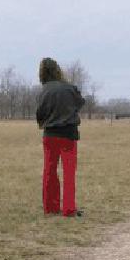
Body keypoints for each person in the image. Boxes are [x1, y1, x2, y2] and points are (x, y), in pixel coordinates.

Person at [35, 57, 85, 217]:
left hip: (50, 135)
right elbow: (80, 103)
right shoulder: (69, 88)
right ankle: (69, 208)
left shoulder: (44, 90)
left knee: (49, 170)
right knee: (69, 172)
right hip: (68, 135)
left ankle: (50, 207)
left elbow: (40, 113)